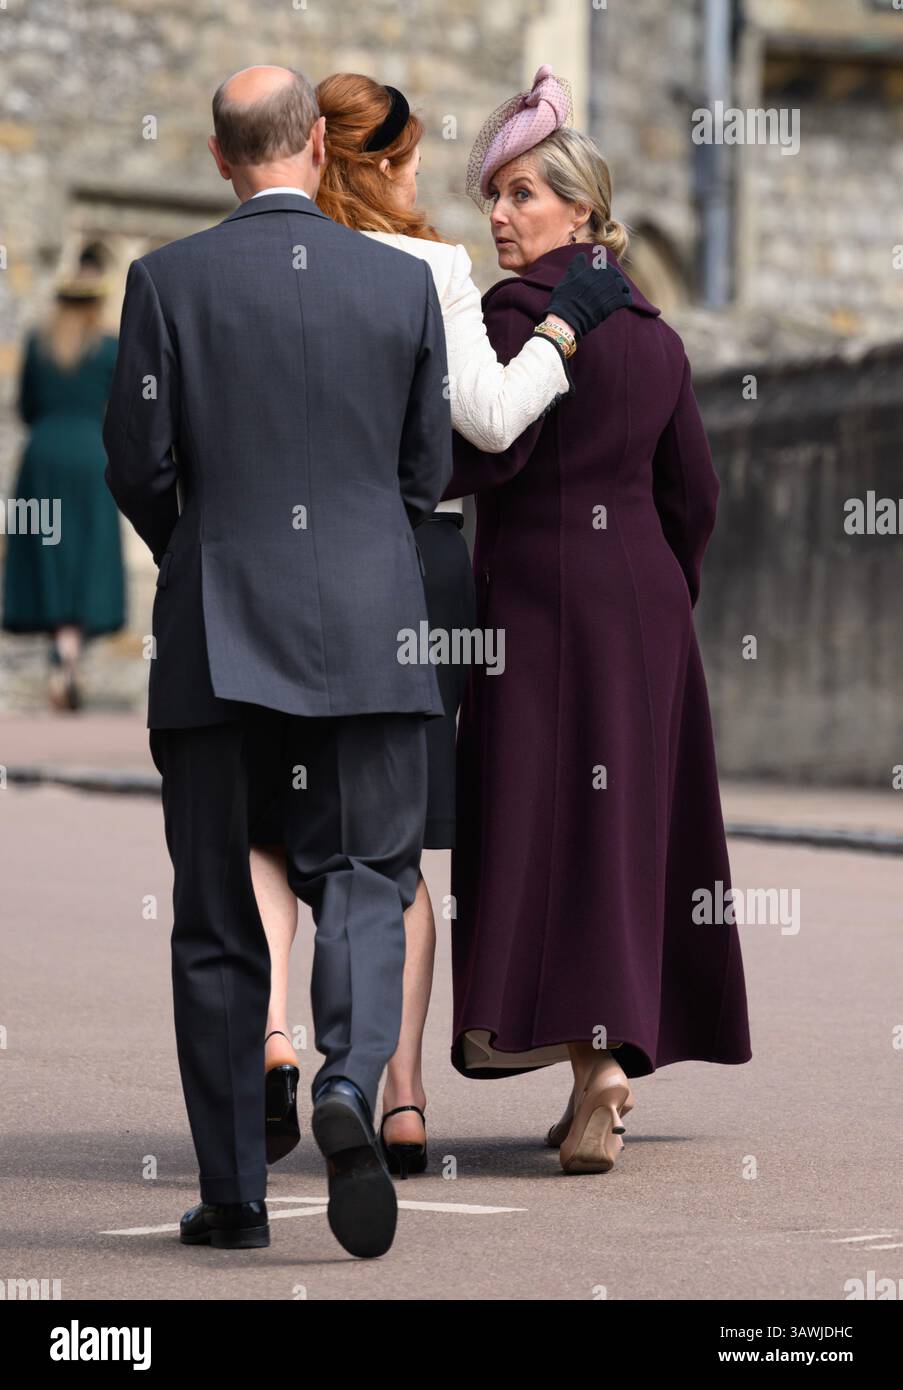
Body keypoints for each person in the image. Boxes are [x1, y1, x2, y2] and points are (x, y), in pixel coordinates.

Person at [253, 68, 634, 1177]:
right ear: (377, 162)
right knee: (394, 847)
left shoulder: (243, 260)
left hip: (272, 576)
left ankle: (281, 1039)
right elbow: (498, 419)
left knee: (272, 832)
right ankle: (399, 1094)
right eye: (419, 165)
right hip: (405, 576)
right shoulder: (431, 268)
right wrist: (563, 329)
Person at [104, 65, 451, 1258]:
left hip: (215, 638)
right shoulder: (401, 286)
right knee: (362, 871)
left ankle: (235, 1195)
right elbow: (421, 476)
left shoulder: (164, 282)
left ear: (218, 159)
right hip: (367, 632)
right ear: (315, 145)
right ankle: (352, 1076)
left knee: (213, 917)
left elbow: (138, 467)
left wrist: (200, 552)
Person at [443, 75, 752, 1174]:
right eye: (493, 196)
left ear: (580, 211)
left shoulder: (515, 320)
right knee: (622, 838)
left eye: (523, 194)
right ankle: (597, 1067)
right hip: (649, 604)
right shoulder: (659, 339)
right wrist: (667, 600)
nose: (500, 215)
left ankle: (598, 1068)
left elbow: (492, 452)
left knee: (547, 830)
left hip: (537, 599)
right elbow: (697, 497)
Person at [3, 246, 125, 709]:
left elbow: (25, 408)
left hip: (43, 455)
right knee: (87, 554)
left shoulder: (38, 344)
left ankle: (60, 644)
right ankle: (71, 648)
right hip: (90, 456)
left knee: (47, 551)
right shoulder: (109, 348)